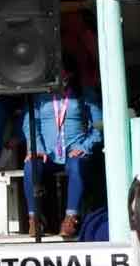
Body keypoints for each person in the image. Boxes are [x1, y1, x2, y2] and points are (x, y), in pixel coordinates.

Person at [22, 58, 102, 238]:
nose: (56, 76)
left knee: (77, 165)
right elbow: (30, 123)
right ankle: (34, 219)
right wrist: (37, 148)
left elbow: (99, 126)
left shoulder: (83, 94)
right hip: (47, 153)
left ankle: (70, 219)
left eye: (60, 71)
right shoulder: (39, 95)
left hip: (74, 149)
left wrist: (84, 146)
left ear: (69, 74)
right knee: (30, 166)